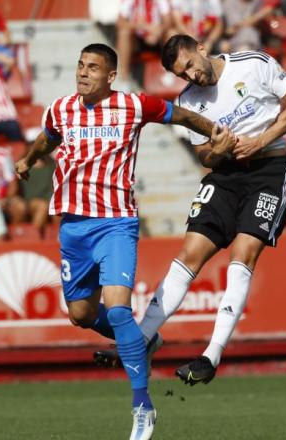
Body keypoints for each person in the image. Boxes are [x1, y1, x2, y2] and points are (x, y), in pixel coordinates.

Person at [14, 42, 229, 439]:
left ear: (110, 76)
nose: (83, 73)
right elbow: (48, 138)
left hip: (116, 222)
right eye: (80, 65)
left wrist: (212, 129)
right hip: (73, 225)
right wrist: (28, 160)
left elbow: (177, 113)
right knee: (79, 313)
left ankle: (143, 408)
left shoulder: (133, 105)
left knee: (117, 311)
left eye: (93, 68)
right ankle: (143, 341)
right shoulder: (60, 109)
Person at [94, 35, 286, 386]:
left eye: (191, 65)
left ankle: (212, 354)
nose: (191, 76)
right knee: (189, 252)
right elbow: (204, 157)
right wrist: (219, 150)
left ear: (202, 50)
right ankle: (139, 341)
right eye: (183, 74)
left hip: (267, 170)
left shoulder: (252, 64)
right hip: (224, 177)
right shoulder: (189, 101)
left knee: (243, 252)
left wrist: (260, 141)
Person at [115, 0, 174, 89]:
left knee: (171, 33)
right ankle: (124, 79)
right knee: (124, 33)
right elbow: (120, 23)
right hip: (137, 40)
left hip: (157, 39)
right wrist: (143, 26)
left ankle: (170, 71)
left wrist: (158, 31)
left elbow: (168, 21)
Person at [19, 128, 55, 231]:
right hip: (30, 202)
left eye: (37, 143)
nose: (34, 146)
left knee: (60, 210)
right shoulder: (22, 165)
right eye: (31, 143)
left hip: (50, 201)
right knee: (42, 206)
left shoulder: (53, 164)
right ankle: (32, 238)